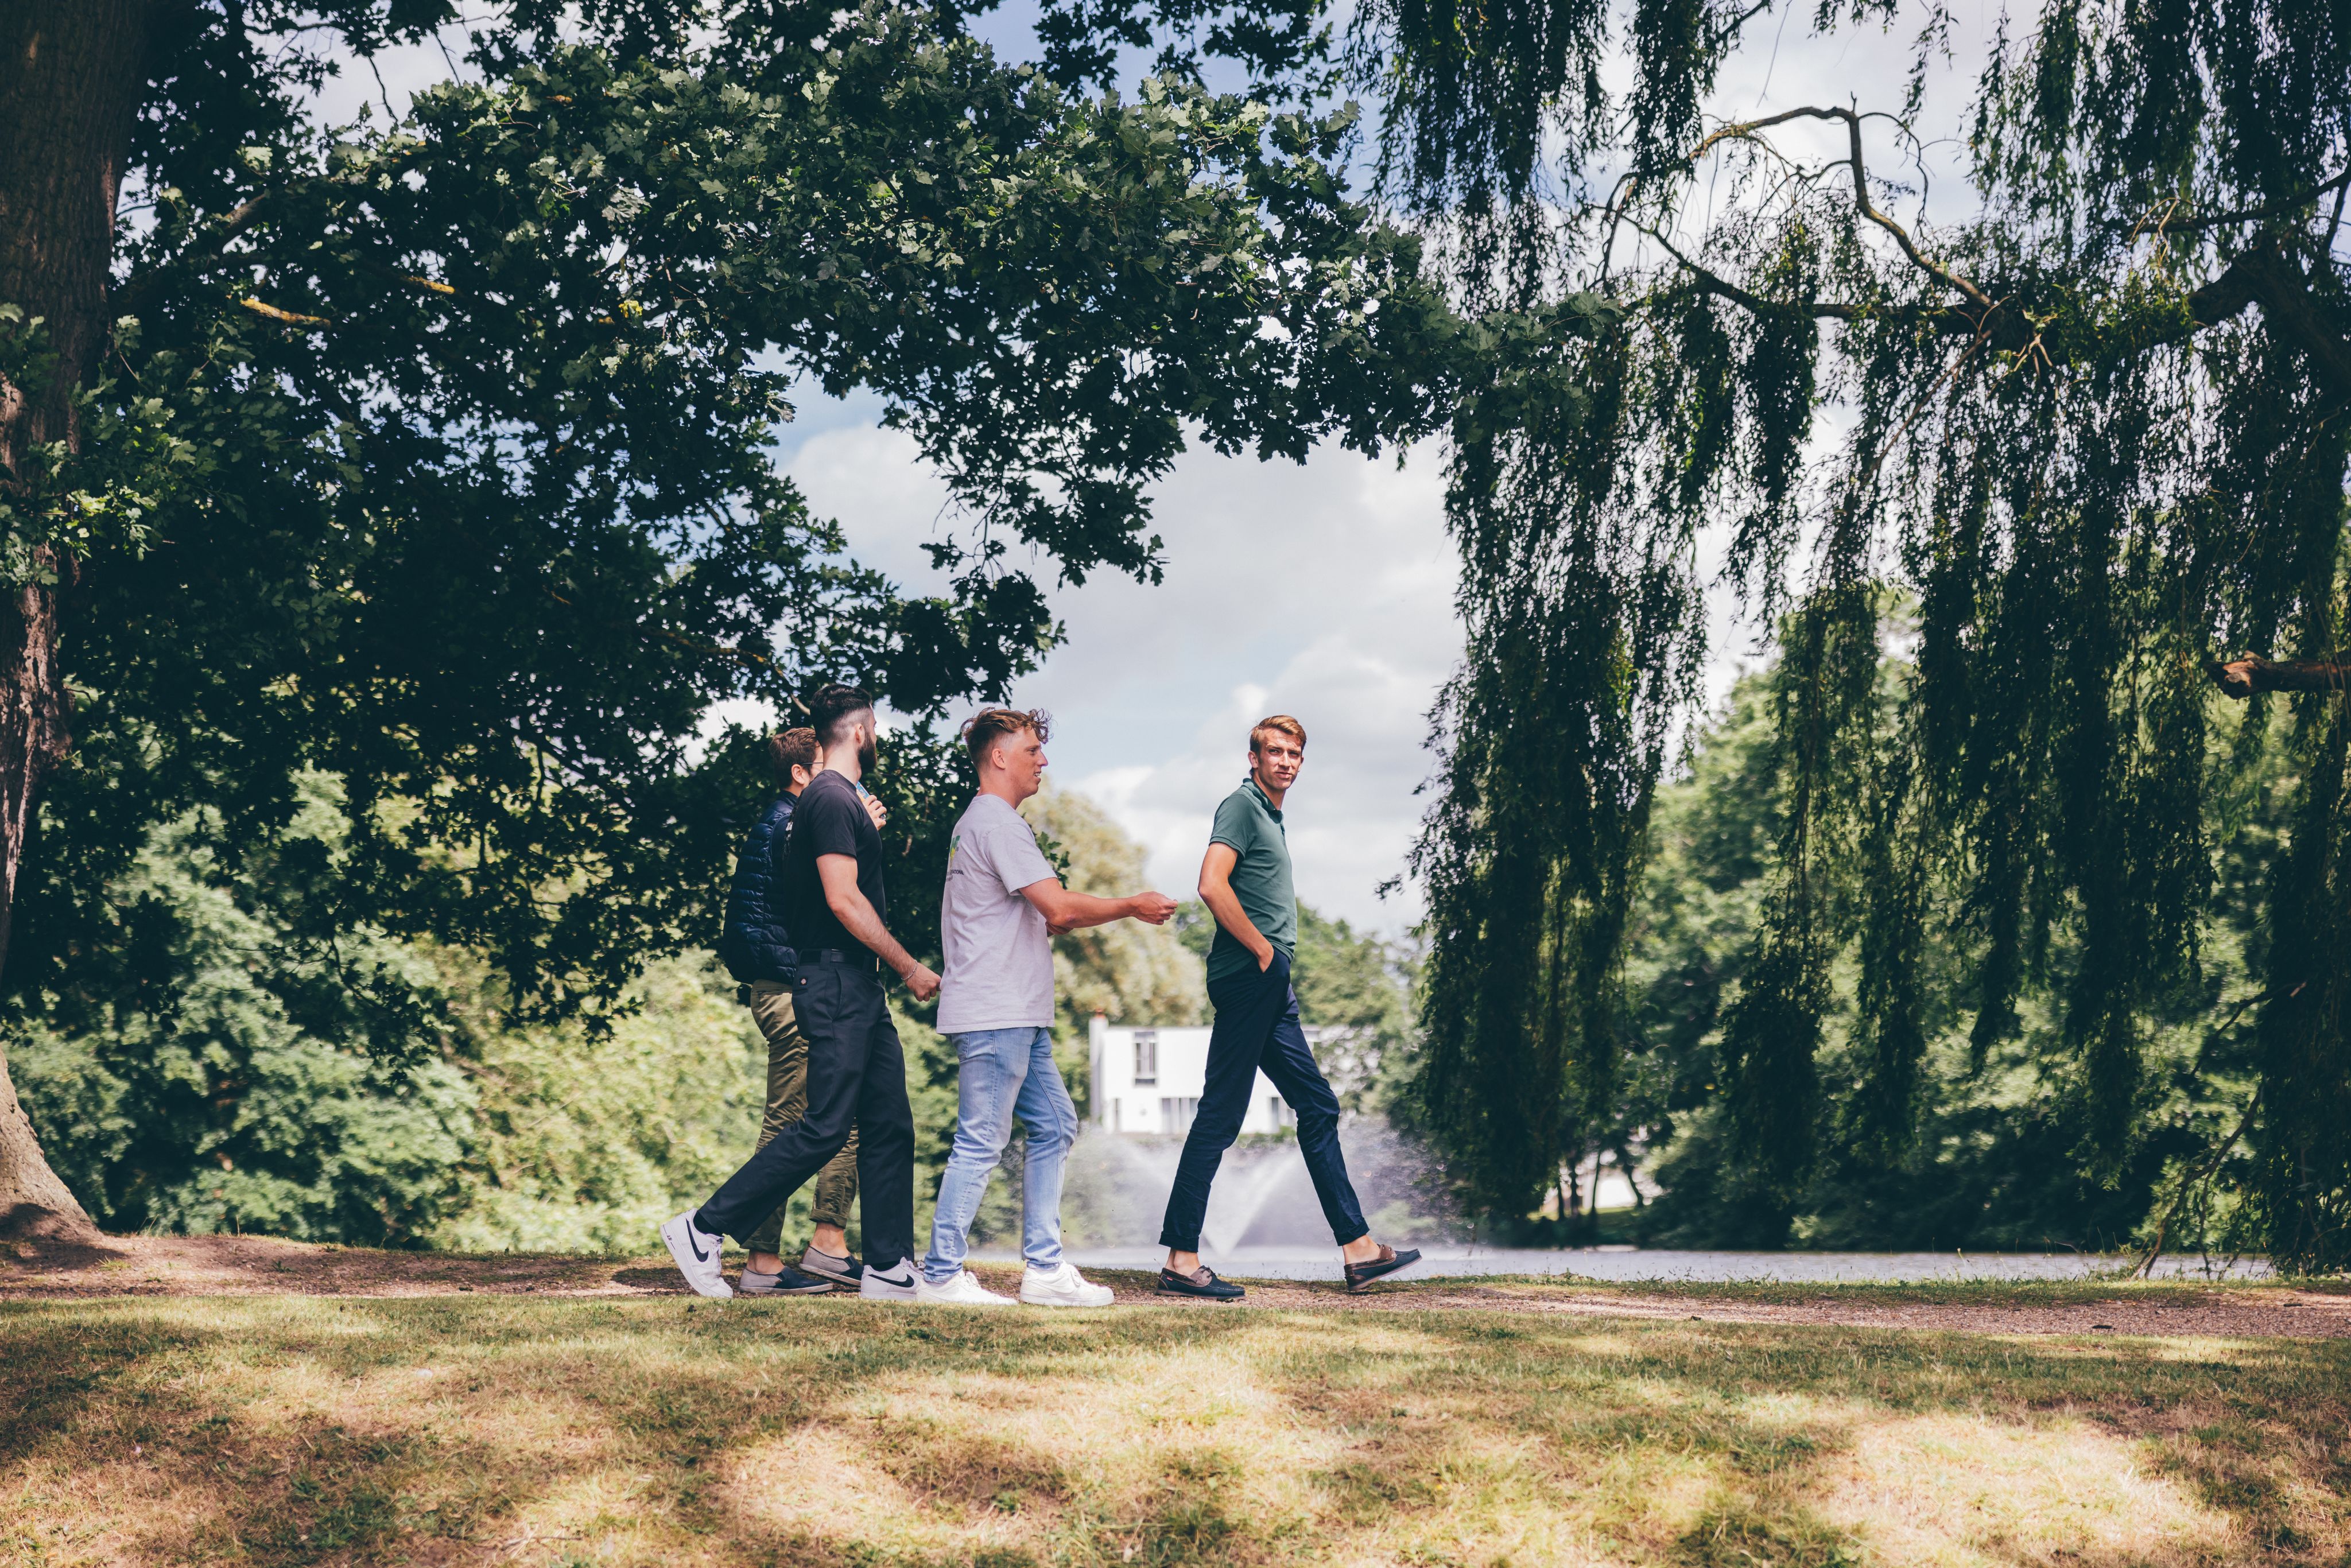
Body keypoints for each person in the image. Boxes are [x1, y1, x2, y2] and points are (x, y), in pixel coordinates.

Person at [664, 684, 940, 1301]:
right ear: (861, 731)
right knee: (824, 1126)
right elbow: (842, 899)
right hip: (837, 979)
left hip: (857, 981)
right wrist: (908, 966)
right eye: (875, 726)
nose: (876, 736)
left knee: (889, 1122)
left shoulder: (830, 801)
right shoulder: (831, 797)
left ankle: (889, 1266)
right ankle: (702, 1228)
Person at [917, 708, 1178, 1307]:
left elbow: (1025, 912)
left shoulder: (980, 823)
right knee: (981, 1139)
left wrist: (1046, 920)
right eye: (1032, 750)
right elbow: (1058, 907)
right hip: (997, 1011)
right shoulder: (997, 823)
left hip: (1017, 1012)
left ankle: (1044, 1268)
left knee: (1056, 1124)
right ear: (999, 757)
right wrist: (1131, 905)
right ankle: (940, 1275)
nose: (1044, 760)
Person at [1155, 716, 1421, 1299]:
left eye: (1294, 753)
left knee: (1317, 1105)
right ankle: (1181, 1259)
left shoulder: (1271, 816)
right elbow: (1211, 883)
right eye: (1274, 751)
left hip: (1270, 982)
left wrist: (1273, 963)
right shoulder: (1242, 806)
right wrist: (1262, 951)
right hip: (1251, 976)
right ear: (1253, 758)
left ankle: (1358, 1250)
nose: (1285, 761)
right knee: (1221, 1115)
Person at [713, 725, 886, 1296]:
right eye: (825, 767)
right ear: (799, 774)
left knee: (846, 1114)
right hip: (791, 990)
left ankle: (828, 1243)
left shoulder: (794, 820)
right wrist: (864, 833)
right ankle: (762, 1262)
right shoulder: (790, 823)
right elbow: (830, 896)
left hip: (806, 986)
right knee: (790, 1121)